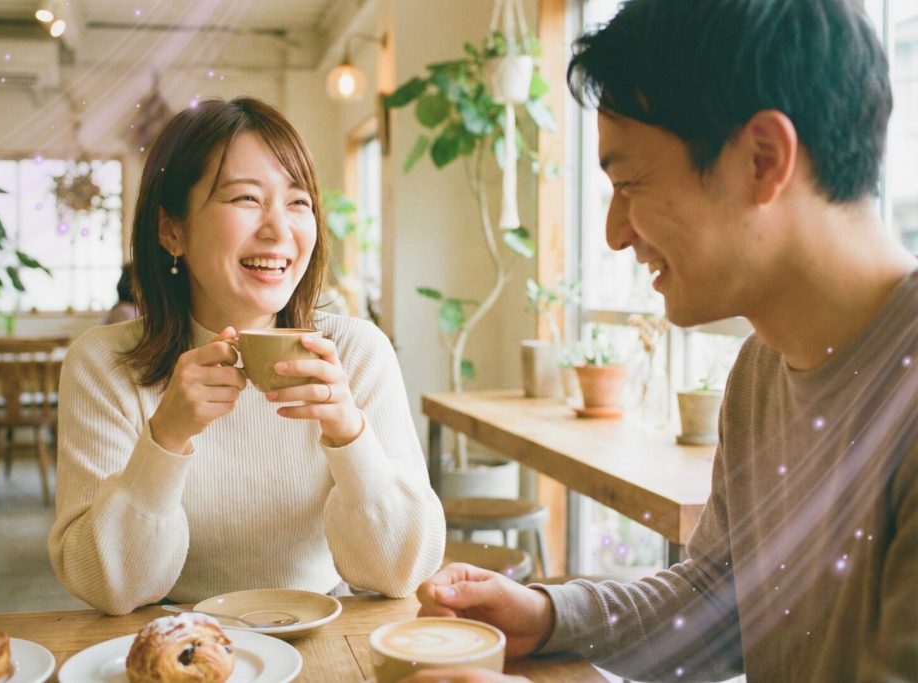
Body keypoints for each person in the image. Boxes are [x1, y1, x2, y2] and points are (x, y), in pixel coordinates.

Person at [410, 0, 918, 681]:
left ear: (764, 159)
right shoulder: (761, 368)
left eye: (629, 183)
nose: (615, 232)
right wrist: (550, 615)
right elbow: (722, 599)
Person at [49, 97, 445, 615]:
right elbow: (107, 587)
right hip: (172, 637)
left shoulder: (356, 353)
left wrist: (348, 433)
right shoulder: (104, 364)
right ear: (172, 230)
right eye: (246, 199)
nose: (279, 230)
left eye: (298, 202)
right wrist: (165, 437)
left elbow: (400, 573)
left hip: (321, 631)